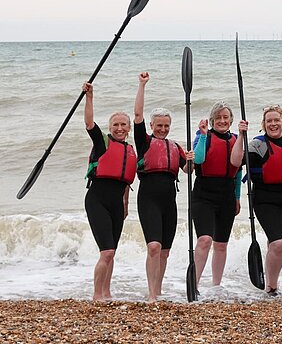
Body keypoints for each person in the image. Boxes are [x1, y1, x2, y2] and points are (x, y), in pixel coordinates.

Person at [134, 71, 194, 302]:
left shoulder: (174, 146)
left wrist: (191, 159)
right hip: (148, 198)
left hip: (169, 201)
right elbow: (137, 114)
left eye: (166, 125)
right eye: (159, 125)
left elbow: (188, 171)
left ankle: (158, 290)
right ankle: (151, 294)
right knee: (153, 247)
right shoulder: (144, 141)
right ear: (152, 125)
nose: (162, 129)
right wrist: (142, 85)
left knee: (165, 252)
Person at [233, 105, 282, 295]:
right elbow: (236, 162)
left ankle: (272, 282)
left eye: (276, 120)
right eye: (269, 121)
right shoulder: (257, 145)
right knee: (279, 243)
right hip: (264, 198)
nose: (273, 124)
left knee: (275, 242)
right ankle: (271, 287)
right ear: (264, 124)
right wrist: (240, 135)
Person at [82, 82, 137, 301]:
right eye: (115, 124)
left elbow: (126, 183)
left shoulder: (130, 150)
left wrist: (125, 206)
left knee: (112, 252)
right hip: (97, 200)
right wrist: (90, 97)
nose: (119, 128)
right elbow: (89, 123)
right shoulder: (103, 142)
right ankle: (97, 295)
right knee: (106, 252)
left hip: (117, 204)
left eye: (124, 124)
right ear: (110, 126)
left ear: (129, 128)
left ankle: (107, 292)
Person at [191, 101, 242, 287]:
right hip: (203, 193)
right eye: (218, 118)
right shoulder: (202, 136)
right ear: (212, 120)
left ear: (230, 120)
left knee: (221, 244)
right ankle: (193, 284)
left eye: (225, 117)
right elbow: (198, 159)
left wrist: (237, 197)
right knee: (205, 240)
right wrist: (204, 135)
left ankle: (216, 286)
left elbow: (238, 171)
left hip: (227, 195)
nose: (222, 121)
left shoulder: (236, 139)